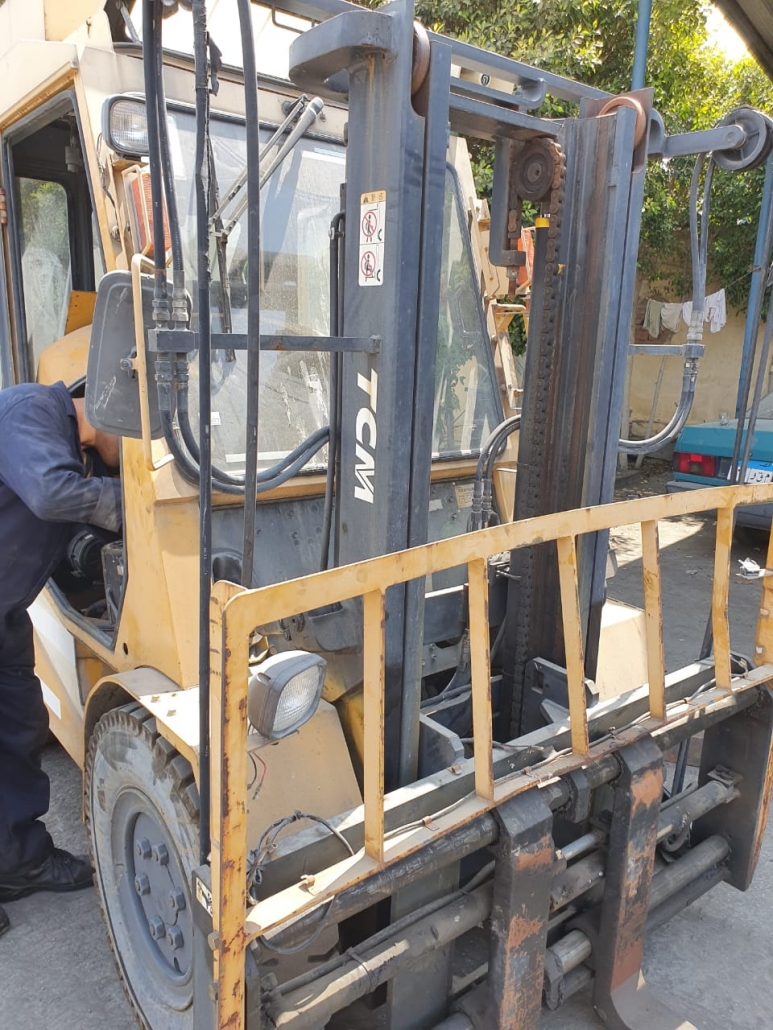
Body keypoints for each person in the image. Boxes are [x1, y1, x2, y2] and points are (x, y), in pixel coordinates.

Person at [0, 380, 121, 935]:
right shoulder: (30, 409)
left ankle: (19, 862)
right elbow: (50, 495)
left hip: (6, 610)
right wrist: (132, 503)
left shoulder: (78, 457)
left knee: (18, 728)